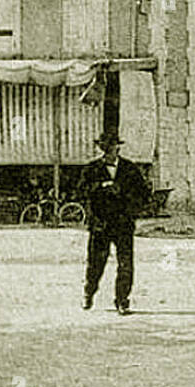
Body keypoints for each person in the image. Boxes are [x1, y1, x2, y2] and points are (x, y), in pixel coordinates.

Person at [81, 131, 149, 315]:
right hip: (100, 225)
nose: (108, 151)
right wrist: (101, 187)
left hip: (123, 224)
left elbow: (143, 194)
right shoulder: (91, 169)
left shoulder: (130, 169)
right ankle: (89, 292)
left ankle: (122, 300)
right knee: (96, 263)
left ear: (117, 147)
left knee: (125, 264)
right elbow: (81, 192)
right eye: (104, 147)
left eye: (111, 147)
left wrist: (125, 196)